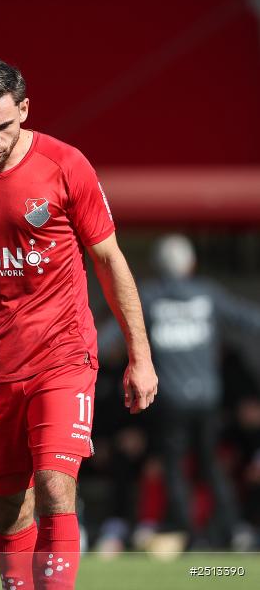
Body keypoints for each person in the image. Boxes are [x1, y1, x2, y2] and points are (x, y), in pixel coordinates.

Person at [0, 57, 158, 589]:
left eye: (3, 125)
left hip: (62, 354)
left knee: (55, 486)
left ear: (24, 110)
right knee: (9, 508)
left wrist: (141, 358)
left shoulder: (65, 164)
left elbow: (110, 261)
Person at [127, 235, 260, 552]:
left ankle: (190, 532)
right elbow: (249, 319)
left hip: (171, 399)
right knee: (210, 464)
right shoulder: (207, 294)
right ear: (191, 264)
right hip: (207, 399)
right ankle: (231, 530)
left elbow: (112, 334)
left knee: (174, 467)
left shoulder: (151, 298)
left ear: (159, 266)